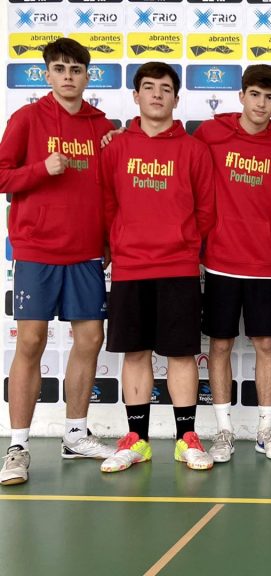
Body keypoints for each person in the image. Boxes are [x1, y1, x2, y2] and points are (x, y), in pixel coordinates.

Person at [0, 38, 115, 486]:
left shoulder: (101, 126)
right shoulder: (27, 118)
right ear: (47, 75)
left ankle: (75, 434)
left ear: (87, 76)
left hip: (86, 252)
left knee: (90, 339)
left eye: (76, 69)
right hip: (37, 250)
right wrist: (39, 170)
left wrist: (108, 238)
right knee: (30, 342)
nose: (68, 76)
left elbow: (110, 189)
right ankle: (18, 446)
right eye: (60, 69)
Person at [98, 62, 216, 473]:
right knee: (136, 352)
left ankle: (187, 439)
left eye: (165, 89)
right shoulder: (116, 148)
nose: (157, 95)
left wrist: (184, 243)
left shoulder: (193, 150)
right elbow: (107, 203)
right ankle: (137, 440)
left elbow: (206, 210)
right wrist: (120, 244)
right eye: (148, 87)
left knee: (181, 354)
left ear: (176, 99)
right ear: (136, 96)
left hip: (178, 267)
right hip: (130, 267)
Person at [193, 65, 271, 462]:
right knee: (220, 344)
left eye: (269, 98)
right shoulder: (210, 134)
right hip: (220, 260)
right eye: (255, 94)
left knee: (266, 344)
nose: (261, 104)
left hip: (265, 261)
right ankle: (224, 432)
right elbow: (173, 153)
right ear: (241, 95)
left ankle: (266, 430)